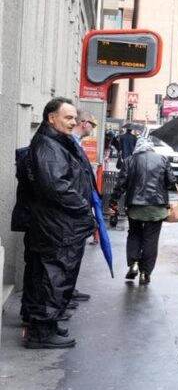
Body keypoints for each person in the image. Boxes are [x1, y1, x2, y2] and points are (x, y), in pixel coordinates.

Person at [20, 97, 95, 349]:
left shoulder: (55, 142)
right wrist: (84, 208)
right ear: (51, 118)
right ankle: (41, 331)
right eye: (68, 117)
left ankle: (46, 325)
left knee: (54, 277)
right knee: (53, 278)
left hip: (61, 226)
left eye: (75, 118)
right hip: (58, 227)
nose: (74, 122)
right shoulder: (48, 146)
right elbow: (56, 186)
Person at [110, 137, 176, 285]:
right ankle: (145, 273)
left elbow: (121, 184)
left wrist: (113, 201)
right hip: (157, 206)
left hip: (135, 207)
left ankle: (133, 263)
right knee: (151, 239)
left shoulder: (130, 160)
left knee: (134, 234)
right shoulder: (162, 160)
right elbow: (171, 181)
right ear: (151, 147)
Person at [67, 108, 100, 304]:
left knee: (73, 256)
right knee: (67, 257)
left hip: (78, 208)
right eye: (92, 124)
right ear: (84, 123)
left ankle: (68, 291)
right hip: (72, 211)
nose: (92, 128)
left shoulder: (75, 143)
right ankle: (64, 296)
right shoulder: (69, 143)